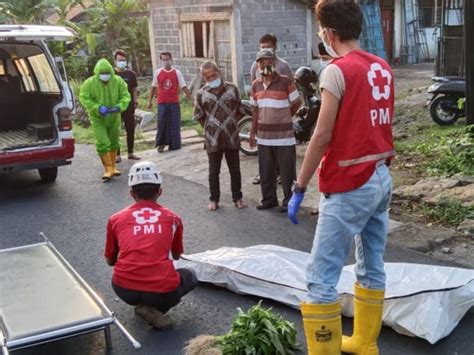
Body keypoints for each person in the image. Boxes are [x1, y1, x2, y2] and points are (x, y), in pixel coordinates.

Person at [287, 0, 395, 353]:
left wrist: (300, 185)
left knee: (320, 277)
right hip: (380, 176)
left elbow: (321, 135)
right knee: (372, 263)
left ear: (329, 33)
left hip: (350, 183)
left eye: (321, 32)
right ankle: (365, 342)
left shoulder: (336, 70)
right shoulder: (381, 67)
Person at [104, 161, 198, 329]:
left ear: (131, 193)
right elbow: (176, 255)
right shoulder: (173, 218)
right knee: (190, 275)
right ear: (160, 191)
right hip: (160, 291)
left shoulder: (115, 219)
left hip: (123, 287)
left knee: (135, 282)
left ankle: (143, 305)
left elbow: (110, 261)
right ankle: (155, 308)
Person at [249, 49, 301, 212]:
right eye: (261, 62)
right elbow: (255, 110)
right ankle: (269, 199)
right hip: (264, 137)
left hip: (284, 136)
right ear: (257, 65)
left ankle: (289, 201)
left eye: (268, 62)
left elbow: (296, 103)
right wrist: (252, 132)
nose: (265, 65)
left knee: (287, 172)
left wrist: (285, 118)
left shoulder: (285, 81)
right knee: (266, 170)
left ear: (274, 63)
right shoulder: (255, 84)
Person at [194, 61, 246, 211]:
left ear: (219, 72)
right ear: (204, 78)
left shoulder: (232, 89)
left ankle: (238, 198)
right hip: (213, 138)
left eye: (213, 75)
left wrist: (231, 123)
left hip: (231, 136)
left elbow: (240, 110)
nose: (211, 78)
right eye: (208, 77)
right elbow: (198, 115)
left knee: (235, 169)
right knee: (213, 171)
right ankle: (214, 199)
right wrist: (210, 127)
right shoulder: (201, 93)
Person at [250, 33, 293, 185]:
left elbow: (293, 98)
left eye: (268, 47)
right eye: (262, 47)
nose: (265, 49)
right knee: (265, 154)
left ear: (275, 47)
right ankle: (266, 176)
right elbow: (255, 90)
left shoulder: (283, 66)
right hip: (264, 117)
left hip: (281, 117)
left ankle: (282, 174)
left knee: (282, 153)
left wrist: (285, 115)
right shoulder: (255, 66)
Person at [79, 58, 131, 181]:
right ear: (97, 73)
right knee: (102, 141)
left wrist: (119, 106)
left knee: (114, 141)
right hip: (98, 117)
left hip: (114, 116)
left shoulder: (118, 81)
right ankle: (107, 168)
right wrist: (97, 107)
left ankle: (113, 167)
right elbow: (84, 98)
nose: (105, 75)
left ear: (111, 72)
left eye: (107, 72)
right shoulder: (89, 83)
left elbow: (125, 96)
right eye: (102, 73)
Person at [148, 52, 192, 153]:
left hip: (174, 103)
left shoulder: (177, 73)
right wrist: (149, 101)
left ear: (171, 60)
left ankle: (175, 144)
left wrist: (192, 99)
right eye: (164, 60)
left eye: (167, 59)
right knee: (162, 123)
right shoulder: (158, 73)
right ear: (161, 61)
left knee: (174, 124)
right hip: (162, 103)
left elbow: (184, 87)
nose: (166, 62)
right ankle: (161, 144)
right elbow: (153, 87)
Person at [114, 49, 140, 162]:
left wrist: (135, 101)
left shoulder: (131, 74)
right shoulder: (112, 74)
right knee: (116, 130)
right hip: (115, 106)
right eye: (120, 60)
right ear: (115, 61)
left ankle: (130, 152)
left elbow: (134, 89)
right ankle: (117, 155)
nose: (122, 62)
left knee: (130, 129)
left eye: (124, 60)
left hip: (128, 105)